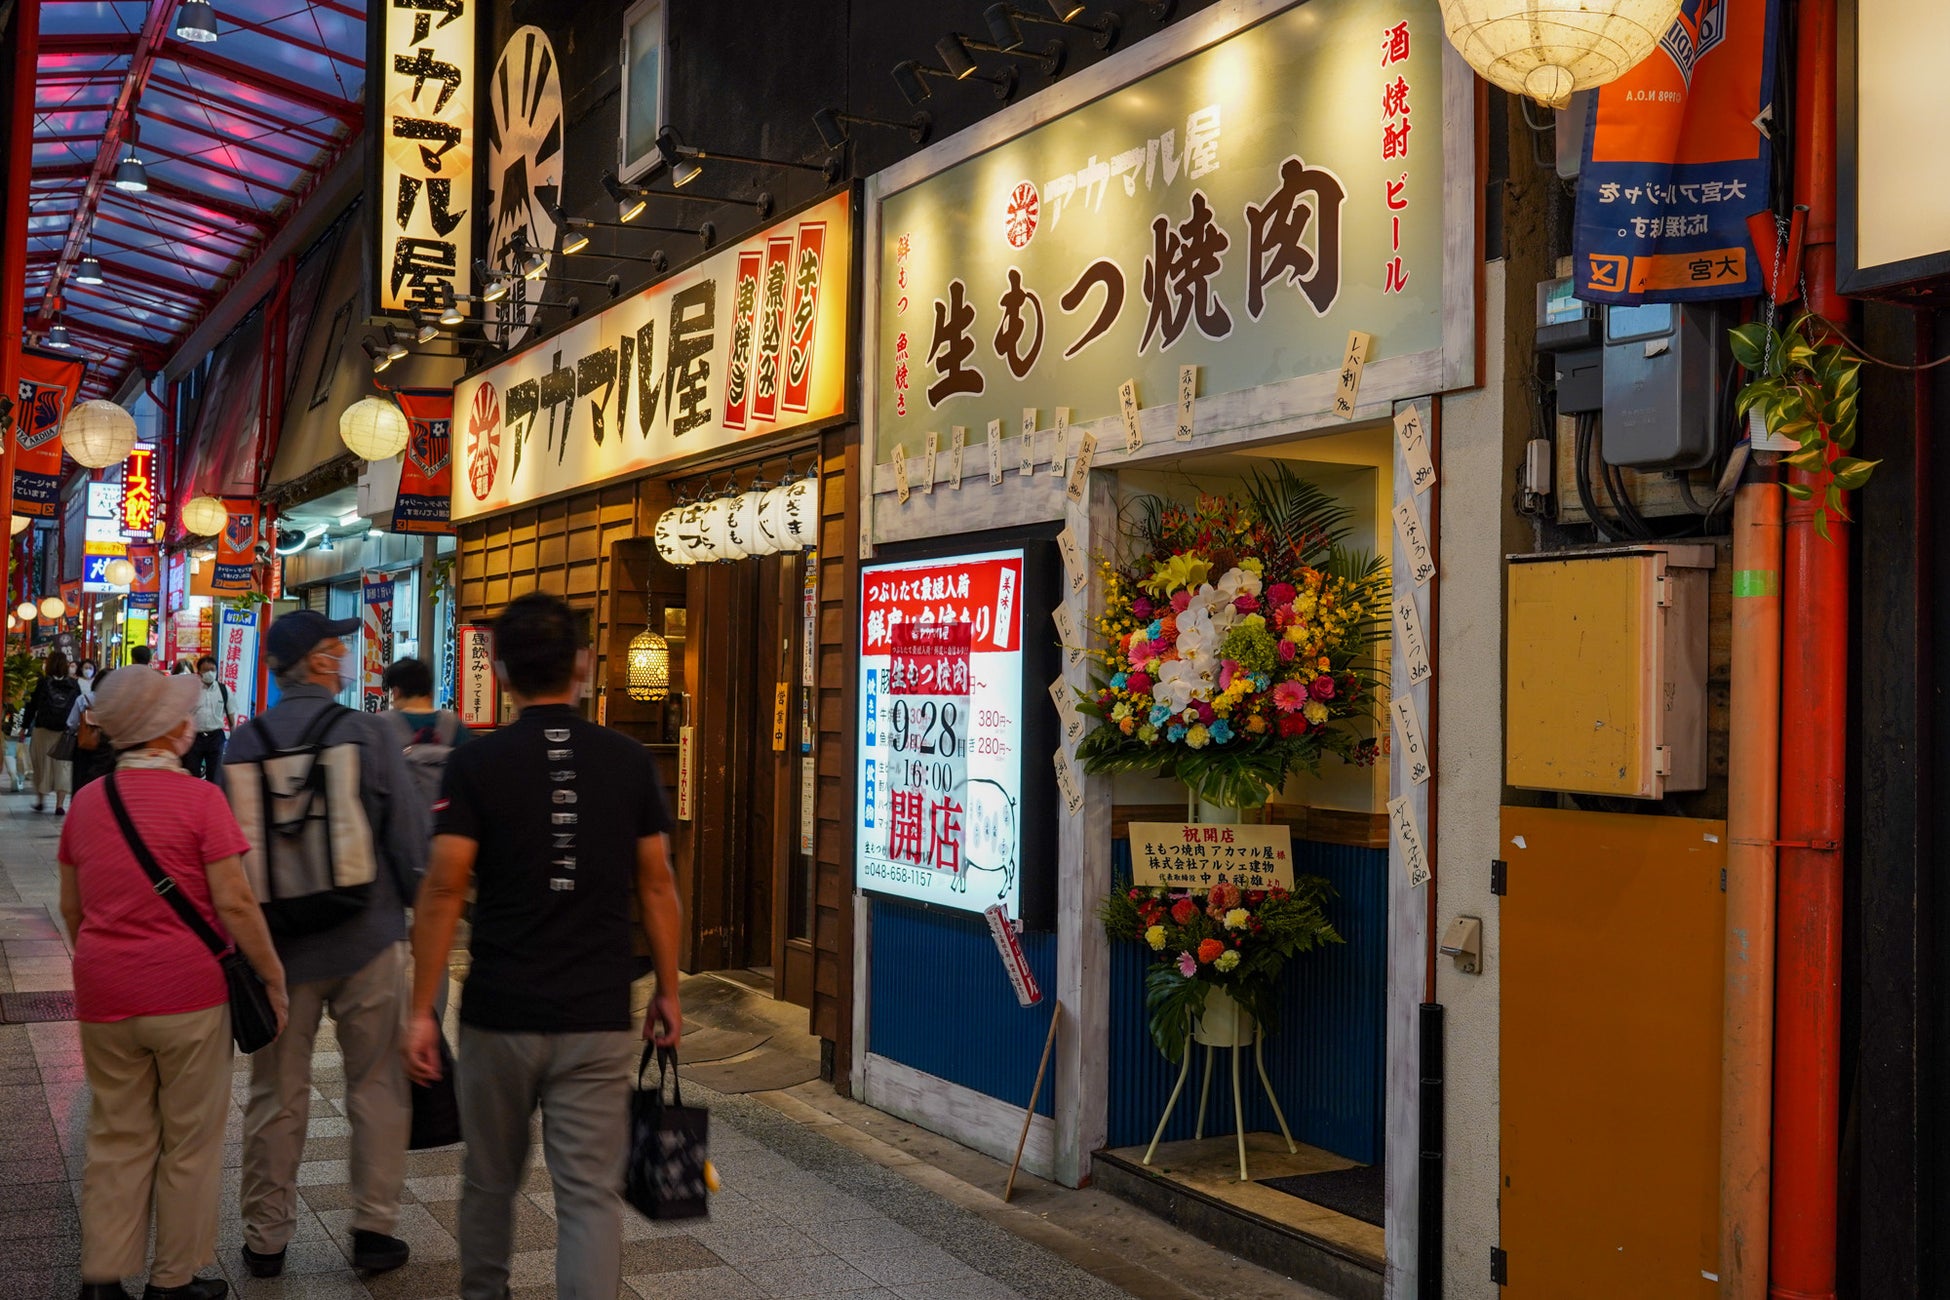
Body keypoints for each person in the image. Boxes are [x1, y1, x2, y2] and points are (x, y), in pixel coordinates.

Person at [406, 593, 683, 1300]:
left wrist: (419, 1010)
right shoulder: (628, 761)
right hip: (597, 1011)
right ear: (583, 665)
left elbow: (443, 889)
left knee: (489, 1180)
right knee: (589, 1194)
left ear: (499, 671)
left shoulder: (476, 763)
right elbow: (657, 885)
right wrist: (669, 992)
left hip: (500, 1011)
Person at [58, 667, 289, 1300]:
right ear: (167, 732)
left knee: (117, 1134)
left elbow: (73, 909)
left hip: (106, 995)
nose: (191, 723)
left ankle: (102, 1279)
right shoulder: (201, 801)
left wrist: (109, 962)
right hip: (190, 995)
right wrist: (272, 978)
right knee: (190, 1140)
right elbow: (235, 903)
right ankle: (172, 1281)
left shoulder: (88, 802)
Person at [222, 611, 429, 1279]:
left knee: (275, 1094)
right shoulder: (368, 732)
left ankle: (265, 1240)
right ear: (314, 661)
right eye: (335, 646)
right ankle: (374, 1231)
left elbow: (229, 857)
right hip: (368, 940)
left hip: (276, 954)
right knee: (376, 1086)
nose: (343, 654)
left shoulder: (243, 744)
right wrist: (417, 919)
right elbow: (409, 841)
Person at [380, 658, 469, 809]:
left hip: (400, 816)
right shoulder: (454, 723)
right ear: (429, 691)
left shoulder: (381, 724)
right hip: (446, 816)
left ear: (396, 692)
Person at [20, 651, 81, 814]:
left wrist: (24, 727)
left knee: (41, 765)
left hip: (42, 730)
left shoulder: (42, 682)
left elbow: (32, 706)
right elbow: (78, 708)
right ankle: (59, 805)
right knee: (63, 767)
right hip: (64, 732)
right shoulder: (73, 685)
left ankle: (40, 801)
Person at [185, 655, 239, 782]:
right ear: (199, 672)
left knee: (215, 776)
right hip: (194, 737)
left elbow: (231, 715)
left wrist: (234, 737)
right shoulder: (191, 690)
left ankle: (212, 794)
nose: (209, 673)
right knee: (192, 774)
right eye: (205, 670)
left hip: (215, 737)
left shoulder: (224, 690)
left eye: (212, 669)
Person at [70, 667, 120, 792]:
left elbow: (71, 723)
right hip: (110, 748)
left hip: (84, 745)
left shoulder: (83, 699)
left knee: (81, 780)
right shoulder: (120, 702)